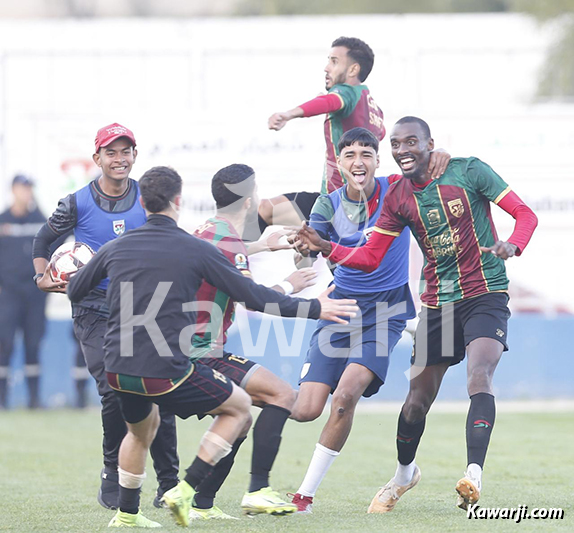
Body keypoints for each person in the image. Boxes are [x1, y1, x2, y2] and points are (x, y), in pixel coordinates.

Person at [66, 165, 358, 528]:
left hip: (119, 365)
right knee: (253, 405)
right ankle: (203, 491)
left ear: (141, 202)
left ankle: (132, 514)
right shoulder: (196, 246)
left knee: (142, 431)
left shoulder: (136, 243)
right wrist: (310, 302)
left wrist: (258, 246)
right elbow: (253, 296)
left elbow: (74, 289)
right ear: (178, 200)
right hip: (180, 359)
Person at [295, 116, 538, 512]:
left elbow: (526, 214)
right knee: (415, 402)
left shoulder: (468, 170)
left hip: (485, 293)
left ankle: (473, 474)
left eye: (412, 142)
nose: (403, 150)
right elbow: (370, 256)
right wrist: (325, 244)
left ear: (430, 144)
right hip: (438, 302)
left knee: (480, 375)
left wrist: (514, 244)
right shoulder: (398, 196)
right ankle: (404, 474)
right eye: (397, 143)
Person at [287, 127, 449, 512]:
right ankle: (242, 397)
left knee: (344, 398)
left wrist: (439, 152)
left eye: (366, 153)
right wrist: (301, 250)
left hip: (386, 312)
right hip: (339, 309)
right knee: (305, 410)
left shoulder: (396, 188)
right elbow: (306, 256)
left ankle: (303, 498)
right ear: (340, 163)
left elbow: (430, 167)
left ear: (377, 160)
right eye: (350, 155)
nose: (358, 161)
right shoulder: (327, 205)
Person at [32, 123, 179, 509]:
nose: (119, 159)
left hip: (143, 308)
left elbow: (166, 241)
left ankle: (169, 484)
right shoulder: (77, 202)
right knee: (114, 391)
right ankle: (112, 470)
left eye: (125, 151)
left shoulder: (147, 198)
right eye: (111, 152)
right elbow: (42, 240)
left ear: (135, 155)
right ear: (96, 158)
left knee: (160, 393)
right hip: (93, 310)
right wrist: (41, 274)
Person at [190, 163, 317, 519]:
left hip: (187, 348)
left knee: (241, 414)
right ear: (249, 201)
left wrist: (261, 245)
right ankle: (258, 490)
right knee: (283, 394)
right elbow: (255, 300)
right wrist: (293, 283)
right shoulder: (229, 242)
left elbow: (224, 254)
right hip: (202, 353)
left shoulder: (208, 230)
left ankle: (201, 503)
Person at [260, 37, 447, 238]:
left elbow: (329, 101)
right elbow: (380, 133)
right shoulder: (374, 108)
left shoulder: (347, 92)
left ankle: (235, 260)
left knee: (324, 254)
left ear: (352, 70)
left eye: (333, 61)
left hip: (340, 204)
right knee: (267, 211)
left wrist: (288, 114)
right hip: (344, 202)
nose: (326, 68)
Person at [0, 175, 48, 409]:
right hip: (7, 295)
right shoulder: (2, 221)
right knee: (4, 346)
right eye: (22, 188)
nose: (26, 193)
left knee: (33, 345)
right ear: (13, 190)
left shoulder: (40, 220)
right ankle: (2, 400)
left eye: (29, 188)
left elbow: (53, 252)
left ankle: (34, 400)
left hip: (34, 296)